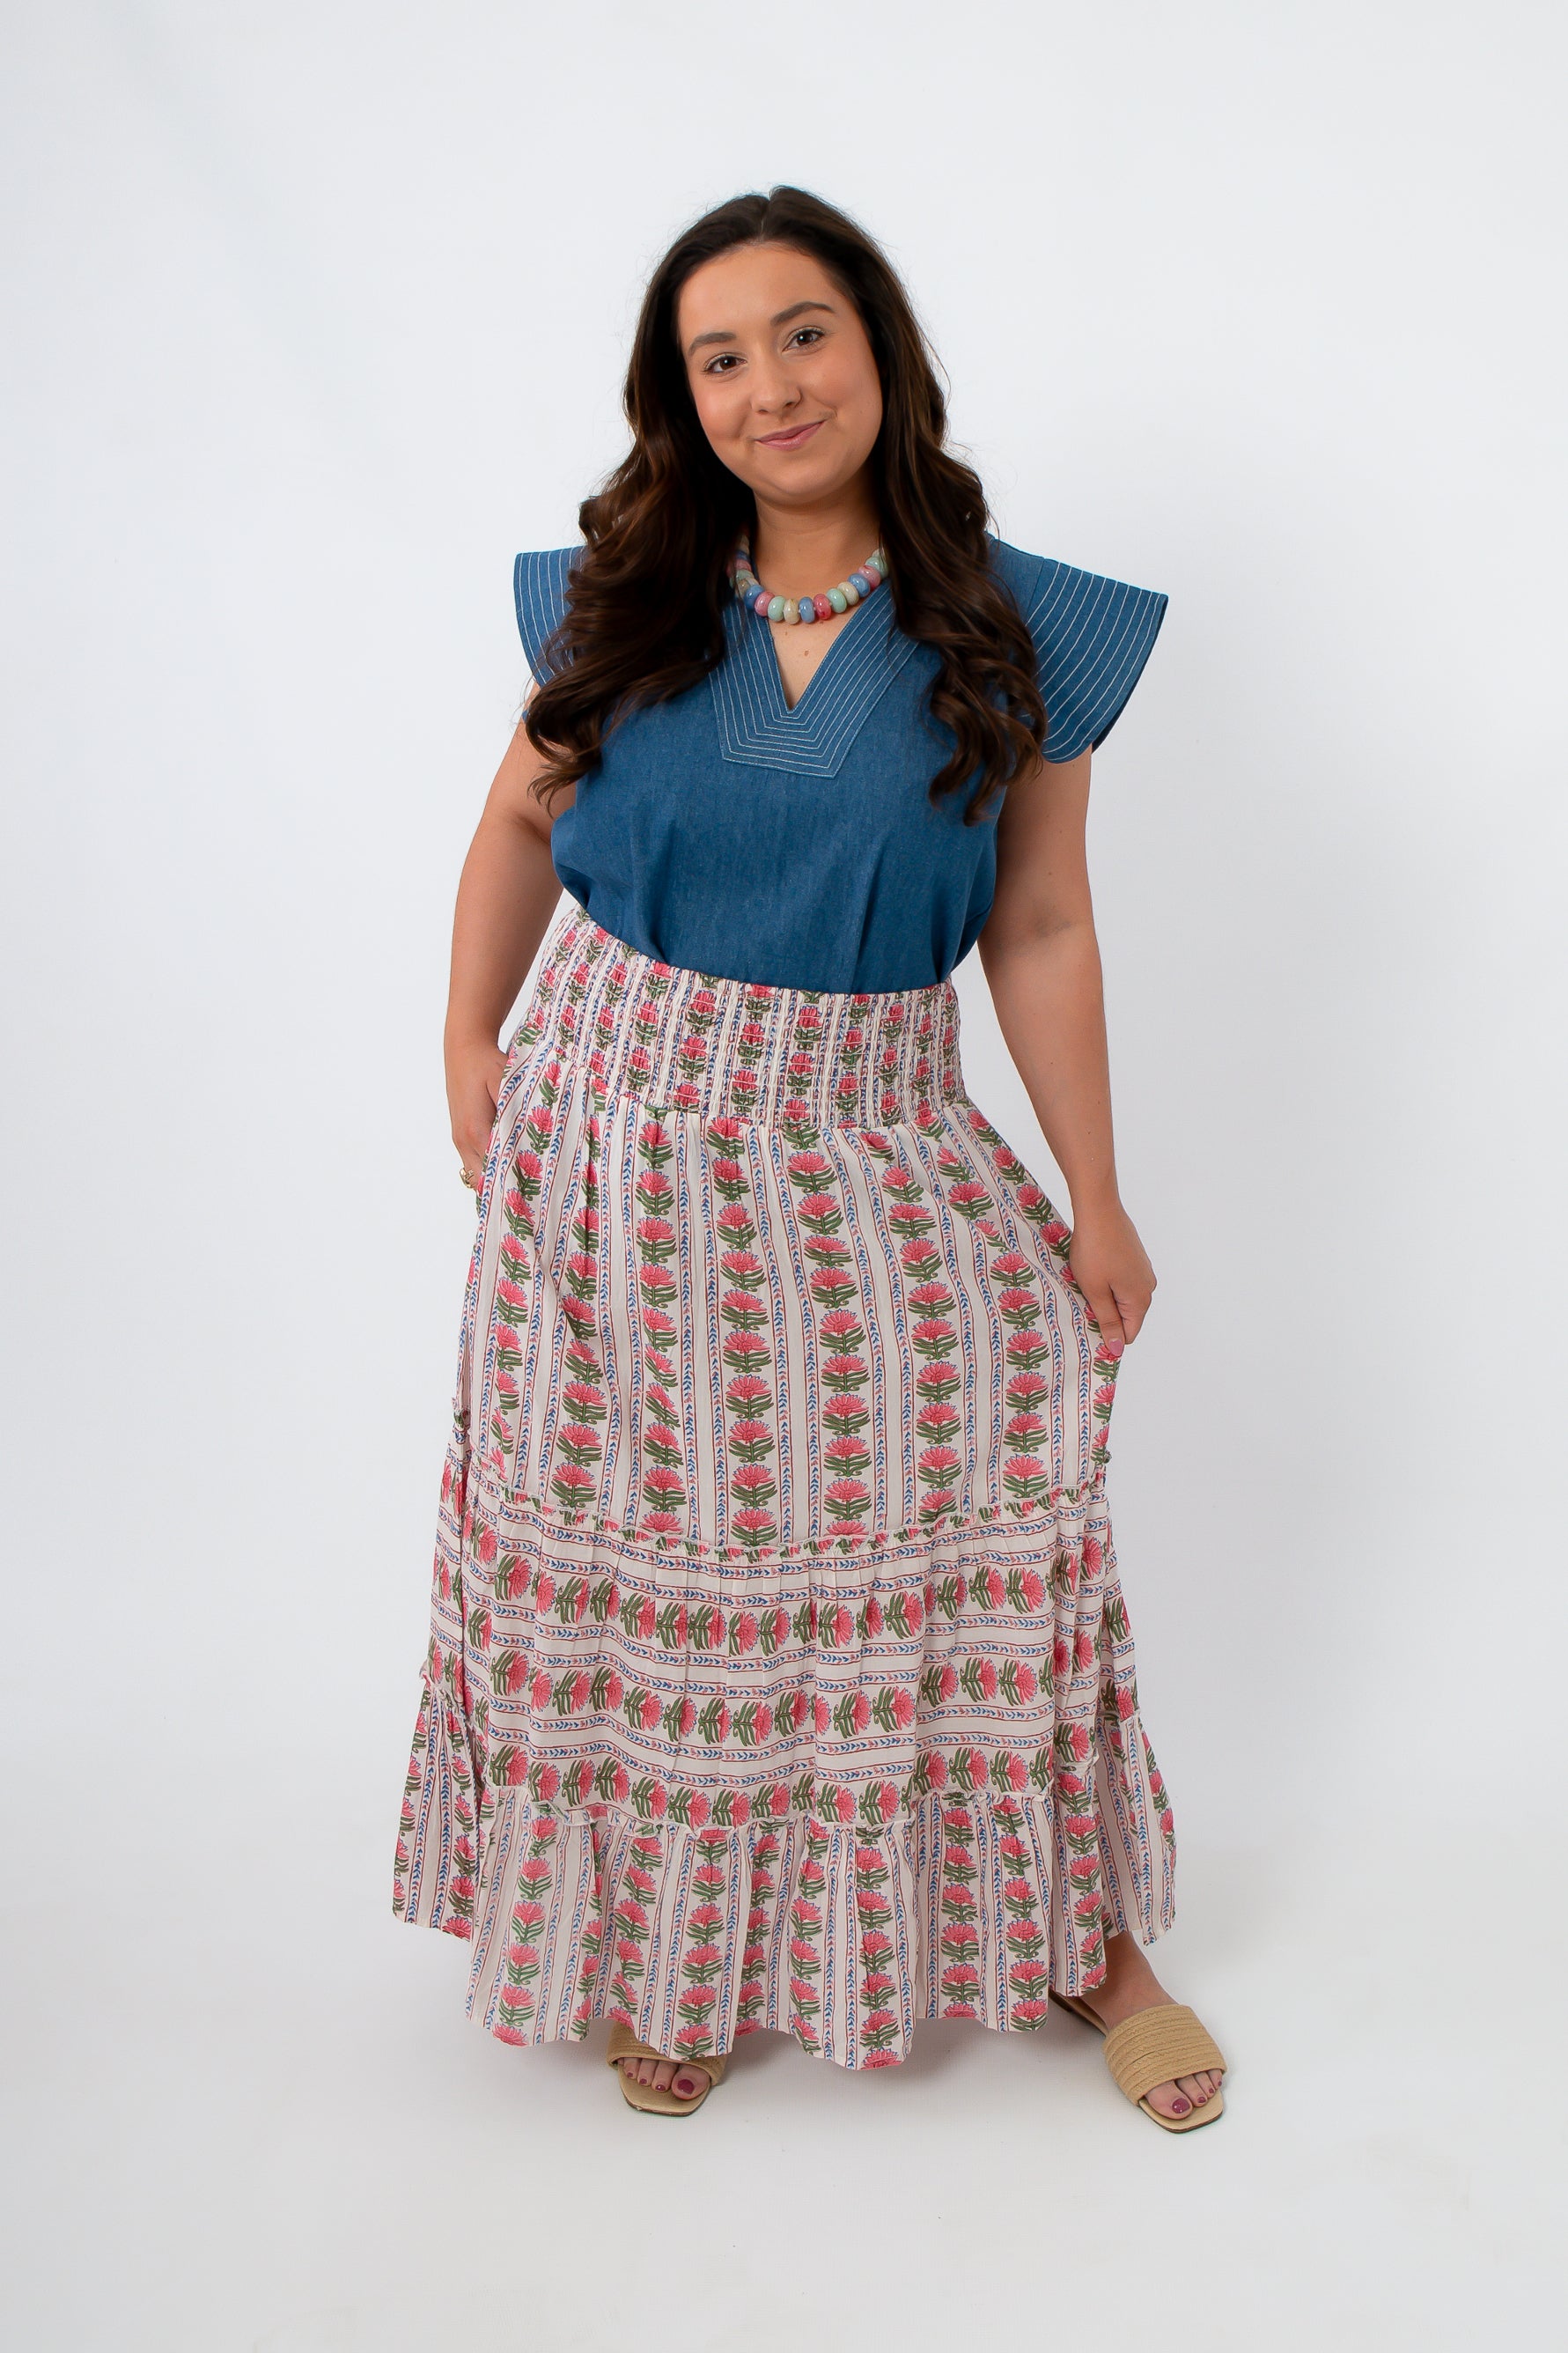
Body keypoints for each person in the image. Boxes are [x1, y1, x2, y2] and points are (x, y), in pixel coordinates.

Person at [391, 186, 1228, 2131]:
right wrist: (465, 1040)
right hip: (607, 1142)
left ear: (879, 347)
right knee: (653, 1571)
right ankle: (661, 1954)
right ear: (679, 402)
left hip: (868, 1123)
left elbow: (1035, 927)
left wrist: (1094, 1196)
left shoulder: (1020, 631)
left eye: (803, 333)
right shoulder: (625, 599)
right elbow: (521, 821)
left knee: (989, 1478)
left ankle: (1076, 1935)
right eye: (720, 356)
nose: (770, 385)